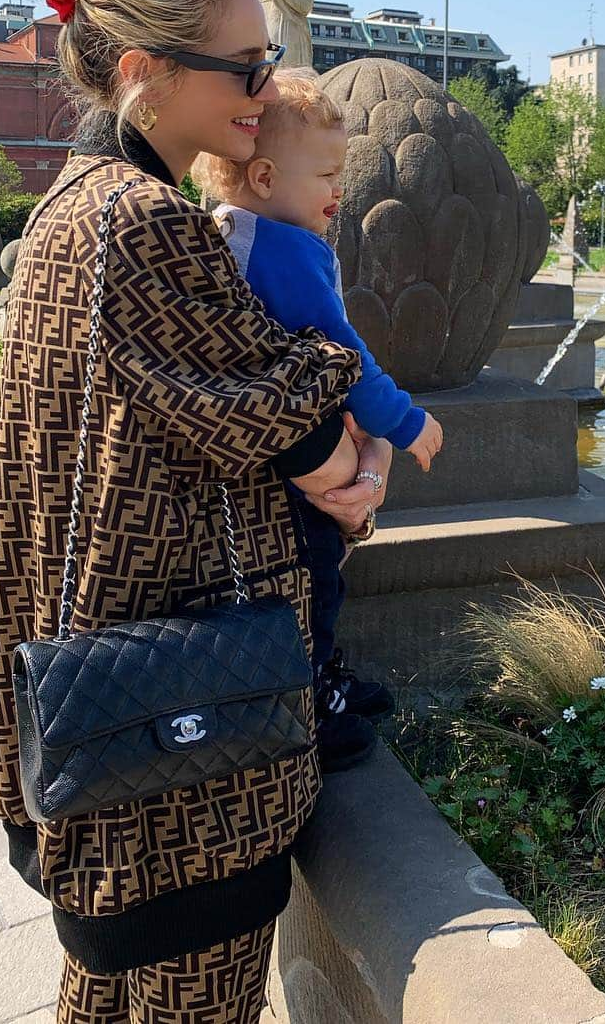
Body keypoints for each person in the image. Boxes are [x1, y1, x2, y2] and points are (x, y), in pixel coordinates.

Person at [0, 0, 391, 1024]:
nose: (269, 87)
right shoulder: (143, 222)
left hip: (114, 713)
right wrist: (338, 412)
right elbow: (303, 421)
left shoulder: (81, 204)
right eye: (249, 66)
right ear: (150, 73)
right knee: (191, 1005)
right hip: (180, 746)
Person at [191, 73, 443, 771]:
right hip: (299, 448)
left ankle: (322, 680)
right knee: (317, 574)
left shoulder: (230, 232)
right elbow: (343, 351)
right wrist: (403, 420)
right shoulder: (286, 249)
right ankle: (314, 705)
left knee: (306, 573)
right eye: (329, 174)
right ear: (265, 176)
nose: (341, 191)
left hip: (260, 452)